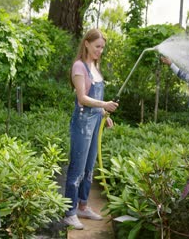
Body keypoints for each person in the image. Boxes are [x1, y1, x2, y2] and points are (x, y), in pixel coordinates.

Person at [62, 29, 119, 230]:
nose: (100, 51)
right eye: (97, 47)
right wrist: (104, 104)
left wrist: (105, 115)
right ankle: (69, 212)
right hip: (81, 123)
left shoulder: (95, 66)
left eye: (102, 47)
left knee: (89, 167)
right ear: (86, 44)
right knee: (77, 167)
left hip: (95, 123)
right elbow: (82, 99)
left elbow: (96, 103)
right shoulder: (79, 67)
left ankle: (83, 206)